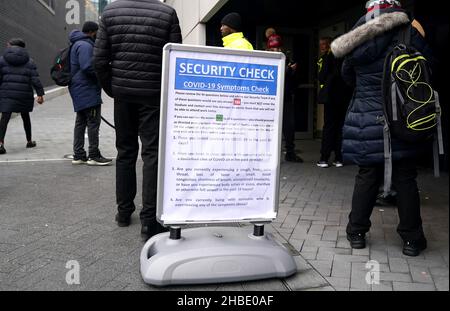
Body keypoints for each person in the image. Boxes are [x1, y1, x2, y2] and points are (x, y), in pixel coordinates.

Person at [331, 0, 433, 256]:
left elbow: (347, 76)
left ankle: (356, 233)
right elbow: (428, 69)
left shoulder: (356, 39)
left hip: (367, 116)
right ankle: (412, 239)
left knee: (367, 176)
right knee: (406, 177)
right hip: (403, 115)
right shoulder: (409, 32)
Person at [94, 0, 182, 241]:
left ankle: (124, 213)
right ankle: (149, 221)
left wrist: (112, 89)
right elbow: (175, 59)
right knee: (152, 153)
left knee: (125, 151)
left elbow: (99, 59)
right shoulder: (167, 13)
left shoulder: (110, 12)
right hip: (154, 95)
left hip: (123, 94)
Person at [69, 22, 112, 166]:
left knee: (81, 122)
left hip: (80, 89)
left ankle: (79, 155)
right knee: (93, 123)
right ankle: (93, 155)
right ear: (92, 32)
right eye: (97, 33)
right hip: (87, 89)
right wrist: (103, 76)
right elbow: (88, 67)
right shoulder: (85, 45)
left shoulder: (78, 43)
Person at [0, 38, 44, 155]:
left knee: (4, 118)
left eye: (8, 44)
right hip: (24, 94)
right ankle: (29, 141)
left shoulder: (2, 60)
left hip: (6, 93)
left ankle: (0, 143)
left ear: (12, 46)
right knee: (25, 117)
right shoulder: (29, 61)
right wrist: (40, 94)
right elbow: (35, 79)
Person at [316, 37, 352, 168]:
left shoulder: (327, 58)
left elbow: (322, 77)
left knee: (329, 127)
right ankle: (339, 158)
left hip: (331, 98)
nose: (323, 47)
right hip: (344, 98)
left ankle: (324, 158)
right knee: (340, 127)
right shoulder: (346, 59)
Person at [268, 39, 303, 163]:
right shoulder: (267, 61)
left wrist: (293, 72)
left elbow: (295, 83)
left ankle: (290, 153)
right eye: (273, 49)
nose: (276, 51)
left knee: (289, 127)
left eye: (278, 48)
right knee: (271, 128)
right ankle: (269, 154)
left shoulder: (287, 62)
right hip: (271, 101)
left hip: (286, 99)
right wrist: (288, 71)